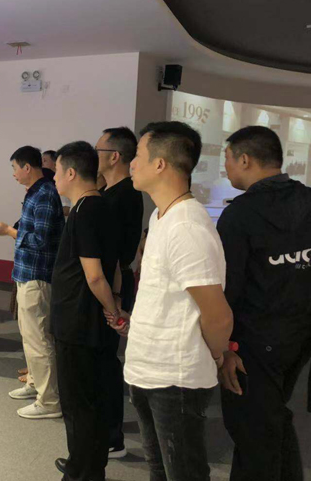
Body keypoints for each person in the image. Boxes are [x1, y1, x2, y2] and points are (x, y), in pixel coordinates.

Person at [124, 121, 234, 481]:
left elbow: (217, 315)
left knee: (183, 473)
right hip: (147, 368)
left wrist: (215, 356)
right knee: (159, 469)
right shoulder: (161, 216)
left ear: (160, 164)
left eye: (138, 155)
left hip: (176, 377)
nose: (131, 163)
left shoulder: (187, 227)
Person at [217, 126, 311, 481]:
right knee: (271, 419)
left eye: (227, 159)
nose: (226, 167)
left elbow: (228, 289)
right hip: (298, 337)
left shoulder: (239, 215)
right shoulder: (308, 200)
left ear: (245, 159)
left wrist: (224, 347)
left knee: (252, 431)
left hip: (253, 344)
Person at [50, 141, 124, 481]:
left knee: (79, 404)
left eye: (56, 171)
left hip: (79, 323)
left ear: (70, 172)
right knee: (92, 399)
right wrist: (115, 302)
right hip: (88, 322)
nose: (54, 178)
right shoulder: (101, 206)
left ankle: (82, 472)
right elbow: (116, 266)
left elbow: (95, 276)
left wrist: (113, 311)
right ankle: (86, 466)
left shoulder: (86, 210)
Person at [0, 145, 64, 419]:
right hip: (26, 274)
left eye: (14, 168)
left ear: (27, 167)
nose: (13, 174)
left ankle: (49, 401)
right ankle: (35, 384)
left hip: (38, 276)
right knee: (30, 335)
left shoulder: (44, 194)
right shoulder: (35, 192)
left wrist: (9, 231)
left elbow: (41, 240)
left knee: (39, 340)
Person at [95, 126, 143, 459]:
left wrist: (114, 299)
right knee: (99, 357)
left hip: (113, 286)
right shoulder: (110, 191)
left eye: (98, 150)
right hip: (109, 283)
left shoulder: (124, 194)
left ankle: (112, 436)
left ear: (114, 156)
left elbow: (115, 254)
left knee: (105, 359)